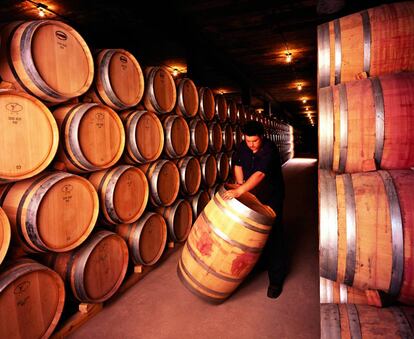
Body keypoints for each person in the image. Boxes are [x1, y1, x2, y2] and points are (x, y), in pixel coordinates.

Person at [222, 120, 286, 299]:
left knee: (274, 236)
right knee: (252, 234)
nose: (251, 145)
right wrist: (241, 183)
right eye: (248, 141)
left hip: (271, 197)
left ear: (262, 138)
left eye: (254, 141)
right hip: (253, 194)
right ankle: (260, 264)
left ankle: (276, 281)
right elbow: (238, 164)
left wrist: (239, 191)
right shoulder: (243, 146)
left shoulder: (270, 149)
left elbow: (259, 174)